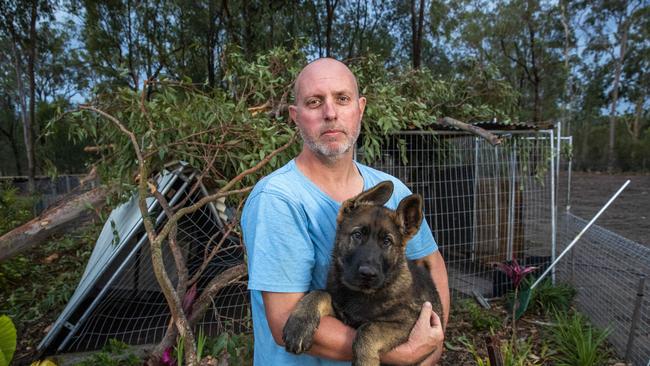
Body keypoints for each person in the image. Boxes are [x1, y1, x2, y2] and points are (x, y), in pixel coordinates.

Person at [241, 58, 450, 365]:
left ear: (360, 108)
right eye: (315, 102)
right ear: (295, 117)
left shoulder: (393, 190)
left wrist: (433, 347)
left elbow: (432, 266)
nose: (330, 113)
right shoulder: (278, 198)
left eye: (342, 99)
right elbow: (285, 319)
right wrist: (405, 354)